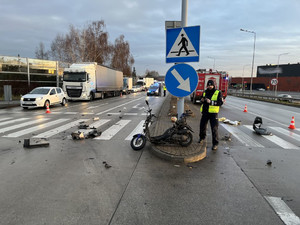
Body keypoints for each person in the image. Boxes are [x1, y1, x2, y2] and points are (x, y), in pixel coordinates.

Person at [198, 80, 223, 150]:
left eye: (211, 85)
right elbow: (201, 98)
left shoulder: (218, 92)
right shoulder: (205, 91)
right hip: (205, 112)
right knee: (202, 126)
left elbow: (220, 102)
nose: (210, 86)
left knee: (214, 128)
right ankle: (202, 138)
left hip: (213, 113)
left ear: (214, 85)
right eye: (208, 85)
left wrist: (211, 102)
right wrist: (202, 100)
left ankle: (215, 144)